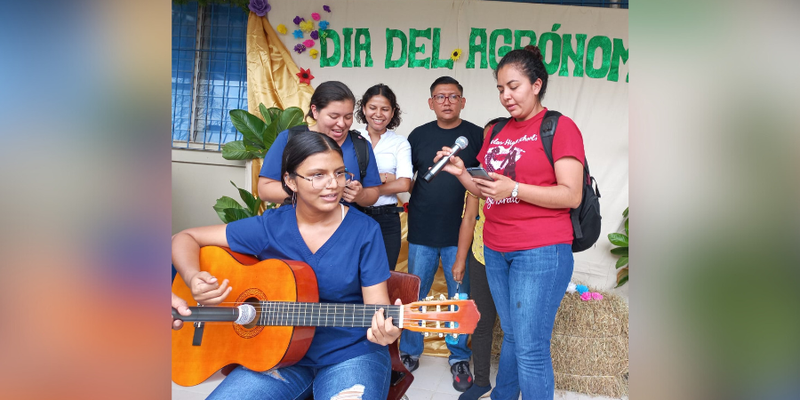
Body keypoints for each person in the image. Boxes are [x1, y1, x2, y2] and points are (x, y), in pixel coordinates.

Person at [172, 132, 401, 399]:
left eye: (340, 173)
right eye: (317, 175)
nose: (333, 184)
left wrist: (385, 332)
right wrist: (192, 277)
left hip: (350, 355)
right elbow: (184, 238)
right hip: (276, 355)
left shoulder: (365, 231)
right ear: (290, 181)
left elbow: (377, 308)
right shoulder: (270, 226)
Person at [435, 45, 586, 400]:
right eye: (500, 88)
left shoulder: (559, 127)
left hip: (541, 250)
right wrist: (461, 173)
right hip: (497, 248)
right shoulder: (497, 131)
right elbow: (489, 190)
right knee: (515, 338)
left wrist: (515, 188)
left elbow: (571, 195)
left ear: (536, 84)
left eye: (513, 86)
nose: (506, 96)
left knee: (531, 348)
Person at [400, 76, 485, 392]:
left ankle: (459, 357)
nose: (447, 101)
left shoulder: (477, 136)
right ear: (430, 102)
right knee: (415, 297)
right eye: (440, 96)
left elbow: (484, 182)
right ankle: (409, 352)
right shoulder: (419, 136)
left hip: (459, 235)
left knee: (458, 300)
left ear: (463, 101)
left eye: (453, 96)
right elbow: (407, 178)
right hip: (422, 230)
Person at [257, 81, 381, 208]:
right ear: (315, 111)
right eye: (334, 116)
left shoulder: (360, 145)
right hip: (297, 224)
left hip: (347, 225)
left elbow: (373, 193)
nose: (342, 124)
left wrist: (360, 195)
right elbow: (265, 189)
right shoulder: (289, 139)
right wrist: (314, 191)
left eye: (348, 117)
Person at [452, 118, 505, 400]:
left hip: (513, 259)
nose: (491, 143)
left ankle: (509, 383)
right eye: (487, 140)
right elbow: (469, 219)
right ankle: (482, 381)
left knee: (512, 327)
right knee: (482, 323)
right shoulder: (477, 176)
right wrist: (460, 261)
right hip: (481, 256)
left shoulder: (518, 175)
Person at [355, 84, 412, 270]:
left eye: (385, 109)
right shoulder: (352, 138)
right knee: (353, 274)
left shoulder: (399, 142)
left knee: (385, 275)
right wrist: (387, 177)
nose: (378, 114)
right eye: (372, 108)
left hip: (387, 220)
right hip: (354, 215)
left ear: (393, 111)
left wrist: (367, 191)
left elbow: (404, 183)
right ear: (363, 109)